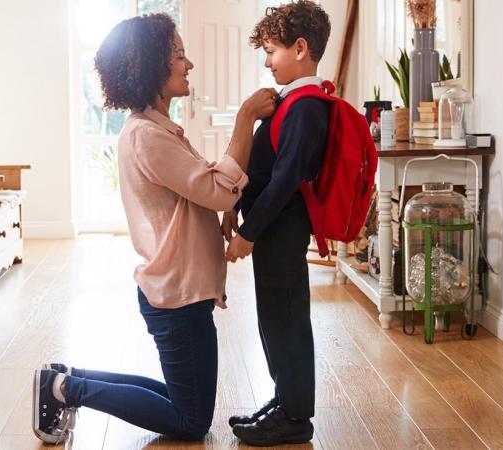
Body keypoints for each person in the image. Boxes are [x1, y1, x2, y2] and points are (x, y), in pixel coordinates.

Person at [31, 13, 276, 444]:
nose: (189, 64)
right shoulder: (148, 136)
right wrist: (245, 120)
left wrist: (224, 206)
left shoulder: (157, 130)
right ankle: (68, 389)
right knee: (190, 420)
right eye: (179, 55)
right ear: (150, 66)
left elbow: (201, 192)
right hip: (177, 296)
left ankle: (66, 377)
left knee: (183, 400)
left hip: (178, 291)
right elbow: (218, 190)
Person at [222, 1, 331, 446]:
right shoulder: (290, 102)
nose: (267, 61)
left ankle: (295, 415)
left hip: (282, 232)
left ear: (300, 48)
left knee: (286, 321)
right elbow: (267, 167)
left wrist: (249, 232)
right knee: (273, 319)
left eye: (271, 51)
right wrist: (237, 205)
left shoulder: (306, 106)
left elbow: (286, 179)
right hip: (273, 232)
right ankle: (285, 400)